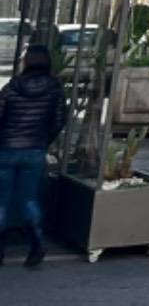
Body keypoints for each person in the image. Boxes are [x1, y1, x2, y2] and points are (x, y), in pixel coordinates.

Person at [0, 43, 66, 268]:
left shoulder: (12, 86)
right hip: (35, 149)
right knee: (29, 199)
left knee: (1, 201)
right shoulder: (55, 88)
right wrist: (43, 140)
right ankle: (36, 243)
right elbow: (59, 121)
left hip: (6, 149)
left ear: (26, 61)